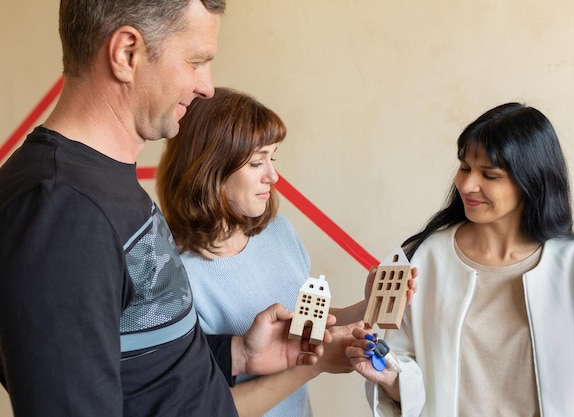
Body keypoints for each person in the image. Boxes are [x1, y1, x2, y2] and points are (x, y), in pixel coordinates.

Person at [0, 2, 331, 417]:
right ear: (127, 54)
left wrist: (239, 355)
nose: (206, 86)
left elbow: (139, 354)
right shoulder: (61, 210)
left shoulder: (103, 184)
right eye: (196, 62)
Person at [346, 102, 574, 417]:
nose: (466, 185)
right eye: (464, 167)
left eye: (489, 174)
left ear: (530, 180)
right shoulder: (423, 258)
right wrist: (389, 376)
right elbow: (404, 368)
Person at [156, 87, 417, 417]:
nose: (273, 175)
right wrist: (315, 365)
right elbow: (205, 407)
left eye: (272, 158)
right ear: (209, 169)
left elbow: (303, 323)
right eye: (256, 162)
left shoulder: (277, 231)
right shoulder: (176, 277)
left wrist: (368, 307)